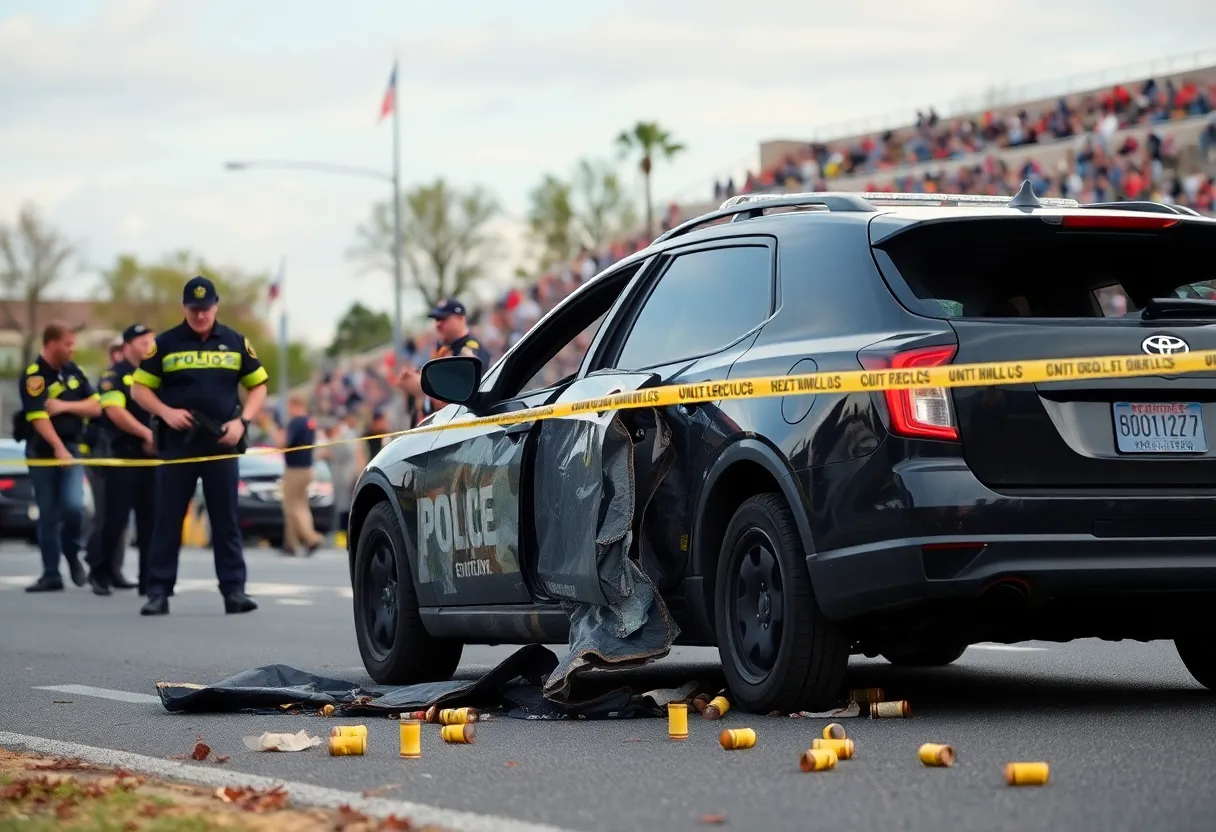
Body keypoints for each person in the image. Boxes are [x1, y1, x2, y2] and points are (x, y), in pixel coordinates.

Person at [129, 276, 268, 616]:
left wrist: (242, 422)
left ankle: (234, 591)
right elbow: (139, 389)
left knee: (226, 521)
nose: (201, 316)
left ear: (216, 306)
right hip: (177, 445)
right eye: (194, 310)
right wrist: (165, 411)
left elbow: (258, 386)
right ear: (184, 308)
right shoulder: (165, 344)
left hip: (221, 444)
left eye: (206, 309)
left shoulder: (235, 342)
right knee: (167, 520)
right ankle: (158, 591)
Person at [17, 322, 100, 592]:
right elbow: (38, 416)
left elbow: (96, 406)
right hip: (43, 454)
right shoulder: (34, 376)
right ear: (51, 343)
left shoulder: (73, 372)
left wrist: (65, 405)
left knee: (74, 506)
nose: (71, 348)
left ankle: (72, 555)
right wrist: (57, 448)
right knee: (49, 513)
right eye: (68, 344)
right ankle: (51, 573)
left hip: (72, 450)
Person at [90, 323, 158, 597]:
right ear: (128, 345)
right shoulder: (114, 375)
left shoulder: (156, 376)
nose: (149, 348)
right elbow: (115, 411)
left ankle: (149, 579)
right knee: (115, 519)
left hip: (153, 459)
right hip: (123, 457)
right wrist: (146, 434)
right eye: (143, 343)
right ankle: (101, 572)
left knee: (151, 520)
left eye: (151, 343)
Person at [84, 336, 136, 592]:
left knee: (121, 520)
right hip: (103, 455)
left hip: (126, 457)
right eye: (114, 351)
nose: (117, 355)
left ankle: (114, 569)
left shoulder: (135, 376)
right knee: (107, 515)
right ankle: (98, 567)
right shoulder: (109, 378)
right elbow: (101, 410)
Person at [397, 298, 490, 414]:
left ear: (460, 318)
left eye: (443, 319)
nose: (438, 324)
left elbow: (458, 399)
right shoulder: (442, 345)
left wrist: (422, 387)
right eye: (436, 320)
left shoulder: (470, 351)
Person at [266, 395, 323, 557]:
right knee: (301, 506)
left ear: (296, 406)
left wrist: (271, 427)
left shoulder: (296, 422)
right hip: (307, 468)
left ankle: (311, 538)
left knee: (292, 506)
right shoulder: (309, 422)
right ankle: (290, 543)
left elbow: (282, 443)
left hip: (295, 469)